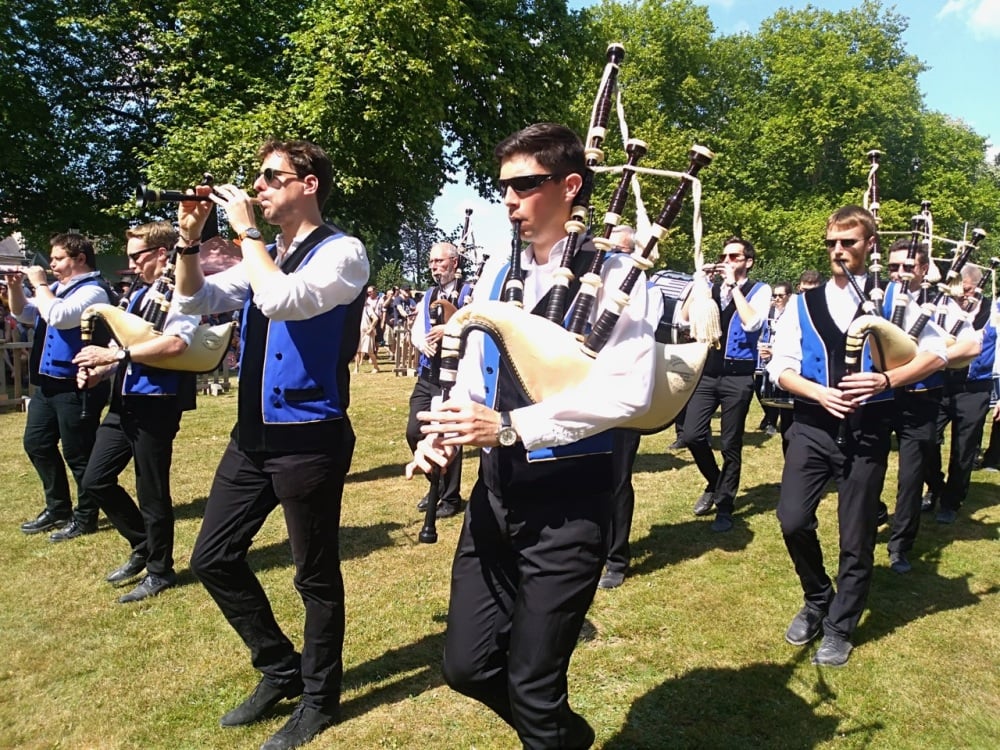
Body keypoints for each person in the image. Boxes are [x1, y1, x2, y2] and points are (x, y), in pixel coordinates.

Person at [407, 122, 655, 748]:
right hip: (495, 498)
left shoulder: (621, 274)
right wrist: (441, 432)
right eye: (504, 188)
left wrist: (512, 427)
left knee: (534, 688)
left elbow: (630, 392)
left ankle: (551, 733)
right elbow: (471, 376)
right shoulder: (496, 275)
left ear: (571, 186)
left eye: (524, 185)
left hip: (569, 506)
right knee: (465, 666)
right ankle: (567, 737)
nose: (510, 201)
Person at [175, 138, 369, 750]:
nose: (258, 187)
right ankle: (279, 667)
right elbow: (196, 299)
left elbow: (281, 299)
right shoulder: (270, 252)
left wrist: (246, 234)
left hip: (309, 438)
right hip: (253, 436)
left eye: (270, 177)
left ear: (308, 184)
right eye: (257, 180)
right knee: (212, 557)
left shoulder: (344, 253)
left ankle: (318, 700)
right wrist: (188, 240)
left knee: (313, 576)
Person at [767, 205, 946, 667]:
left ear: (870, 246)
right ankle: (817, 595)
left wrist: (887, 381)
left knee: (857, 532)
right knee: (792, 519)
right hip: (812, 424)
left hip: (868, 430)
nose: (838, 251)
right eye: (832, 243)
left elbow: (938, 354)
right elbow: (781, 366)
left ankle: (841, 624)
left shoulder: (894, 302)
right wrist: (818, 393)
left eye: (848, 242)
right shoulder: (804, 303)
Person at [72, 221, 199, 603]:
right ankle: (143, 545)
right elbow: (123, 345)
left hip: (157, 402)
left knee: (152, 491)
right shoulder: (138, 294)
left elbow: (176, 345)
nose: (130, 264)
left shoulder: (183, 294)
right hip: (124, 400)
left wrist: (116, 355)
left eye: (136, 256)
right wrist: (98, 371)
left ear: (162, 254)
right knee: (95, 480)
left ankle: (160, 571)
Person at [6, 233, 112, 540]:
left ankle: (86, 516)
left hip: (77, 384)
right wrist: (15, 288)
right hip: (48, 386)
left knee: (79, 454)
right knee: (37, 443)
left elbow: (60, 316)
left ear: (80, 259)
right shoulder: (57, 288)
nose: (51, 264)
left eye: (58, 259)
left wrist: (38, 283)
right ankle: (58, 508)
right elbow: (25, 314)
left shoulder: (94, 291)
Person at [678, 236, 771, 532]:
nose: (727, 261)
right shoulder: (710, 290)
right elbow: (682, 320)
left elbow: (752, 324)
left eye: (734, 257)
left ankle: (726, 504)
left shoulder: (760, 290)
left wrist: (733, 287)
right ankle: (715, 482)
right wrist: (698, 284)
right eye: (724, 256)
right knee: (692, 435)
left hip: (738, 375)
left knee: (731, 443)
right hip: (706, 371)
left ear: (748, 261)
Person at [407, 242, 473, 519]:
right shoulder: (428, 294)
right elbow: (415, 330)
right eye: (432, 262)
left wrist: (451, 327)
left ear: (454, 263)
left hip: (454, 375)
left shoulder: (471, 292)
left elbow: (475, 324)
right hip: (427, 373)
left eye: (440, 262)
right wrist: (423, 344)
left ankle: (450, 497)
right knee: (415, 431)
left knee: (447, 432)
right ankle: (436, 483)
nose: (435, 267)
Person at [923, 263, 993, 523]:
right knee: (926, 439)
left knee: (964, 449)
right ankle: (935, 485)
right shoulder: (943, 307)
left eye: (968, 289)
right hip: (941, 384)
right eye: (960, 289)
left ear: (978, 287)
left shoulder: (993, 311)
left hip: (975, 388)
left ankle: (952, 501)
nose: (964, 295)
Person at [601, 224, 644, 590]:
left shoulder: (646, 290)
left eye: (620, 250)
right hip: (584, 391)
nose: (611, 256)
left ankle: (617, 557)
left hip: (620, 397)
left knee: (616, 480)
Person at [757, 281, 792, 436]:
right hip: (764, 353)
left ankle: (772, 421)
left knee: (778, 388)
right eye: (774, 295)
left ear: (789, 296)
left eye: (780, 295)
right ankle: (769, 415)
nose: (777, 299)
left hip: (782, 354)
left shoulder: (792, 313)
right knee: (759, 388)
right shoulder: (768, 311)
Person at [356, 285, 381, 373]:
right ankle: (356, 368)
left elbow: (376, 318)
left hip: (367, 332)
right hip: (359, 331)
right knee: (358, 351)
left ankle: (376, 367)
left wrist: (371, 328)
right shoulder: (357, 308)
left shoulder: (368, 307)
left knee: (370, 351)